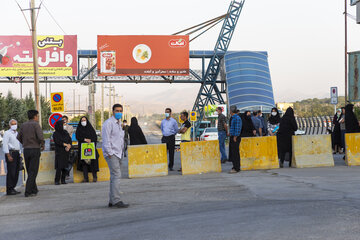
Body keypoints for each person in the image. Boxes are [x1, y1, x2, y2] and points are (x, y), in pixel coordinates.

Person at [102, 104, 129, 208]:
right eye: (117, 110)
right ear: (112, 111)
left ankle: (111, 200)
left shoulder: (119, 124)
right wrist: (109, 153)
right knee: (117, 176)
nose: (119, 113)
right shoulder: (108, 123)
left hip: (118, 153)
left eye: (120, 111)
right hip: (112, 153)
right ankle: (117, 200)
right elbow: (106, 139)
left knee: (114, 177)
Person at [17, 110, 45, 197]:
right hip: (35, 149)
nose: (38, 117)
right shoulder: (36, 125)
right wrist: (42, 144)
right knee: (33, 171)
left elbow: (18, 137)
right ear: (35, 116)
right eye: (37, 116)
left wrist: (25, 143)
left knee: (30, 170)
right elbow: (40, 137)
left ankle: (34, 189)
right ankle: (28, 191)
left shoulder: (23, 125)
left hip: (26, 150)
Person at [76, 116, 99, 183]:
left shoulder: (90, 129)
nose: (83, 122)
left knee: (93, 163)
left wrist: (91, 141)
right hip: (82, 149)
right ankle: (86, 178)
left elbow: (95, 137)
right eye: (82, 120)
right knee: (84, 164)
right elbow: (78, 137)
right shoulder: (79, 129)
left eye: (84, 120)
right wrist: (84, 139)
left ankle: (94, 177)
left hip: (91, 148)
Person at [3, 119, 22, 195]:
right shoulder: (7, 133)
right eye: (12, 124)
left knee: (16, 172)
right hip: (11, 153)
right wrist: (8, 155)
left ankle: (13, 187)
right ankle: (9, 189)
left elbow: (18, 144)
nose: (14, 125)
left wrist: (20, 153)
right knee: (11, 172)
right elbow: (5, 145)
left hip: (17, 153)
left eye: (15, 124)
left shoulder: (17, 133)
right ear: (10, 125)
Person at [53, 120, 72, 185]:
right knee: (59, 167)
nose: (64, 126)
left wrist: (69, 145)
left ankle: (63, 180)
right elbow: (57, 142)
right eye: (63, 124)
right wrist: (65, 144)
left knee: (65, 166)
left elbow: (69, 140)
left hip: (66, 151)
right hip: (59, 152)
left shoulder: (66, 132)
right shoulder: (55, 133)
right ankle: (57, 180)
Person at [229, 105, 242, 174]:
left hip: (235, 137)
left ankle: (236, 168)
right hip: (233, 136)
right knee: (233, 153)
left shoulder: (236, 118)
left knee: (235, 153)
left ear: (231, 111)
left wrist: (235, 137)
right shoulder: (233, 117)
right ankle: (235, 166)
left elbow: (237, 128)